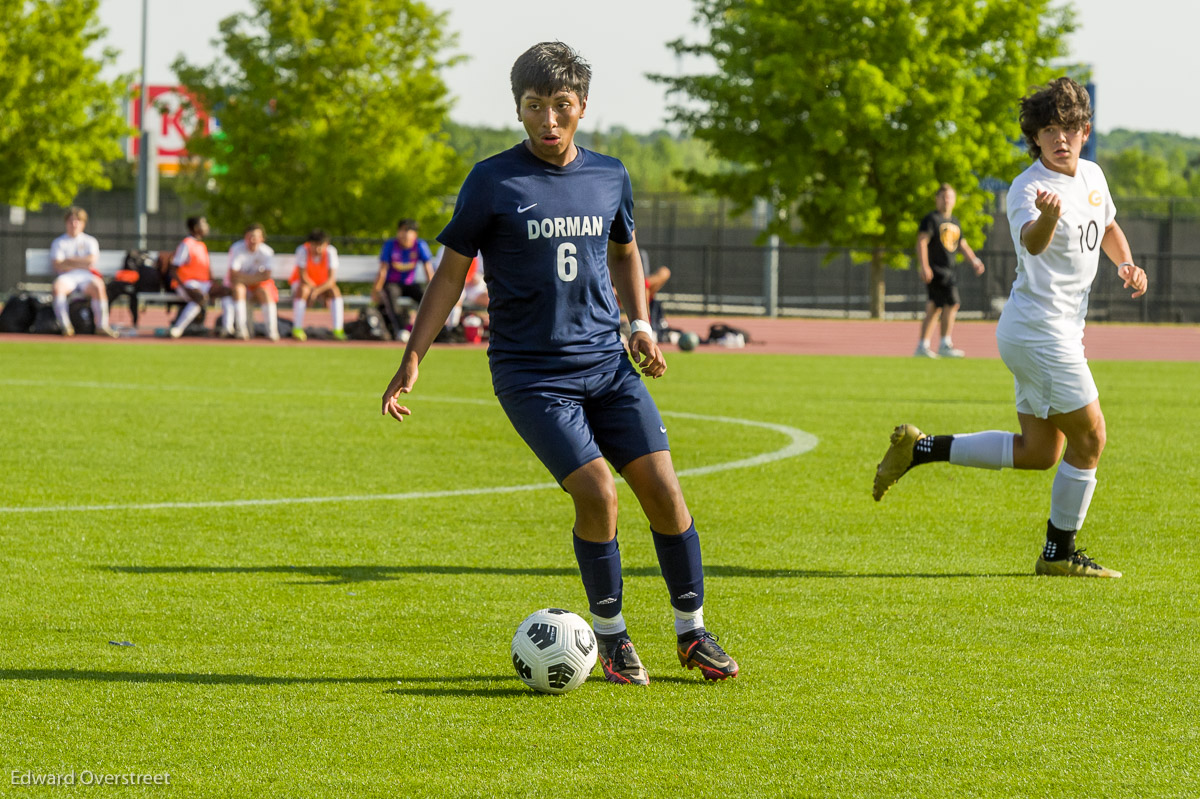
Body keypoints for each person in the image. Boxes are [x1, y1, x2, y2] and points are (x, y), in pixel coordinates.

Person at [381, 41, 738, 685]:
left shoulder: (610, 175)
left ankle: (692, 632)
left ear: (582, 108)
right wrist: (413, 356)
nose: (549, 120)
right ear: (518, 110)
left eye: (561, 106)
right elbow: (451, 275)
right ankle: (611, 638)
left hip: (607, 363)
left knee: (664, 492)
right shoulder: (492, 181)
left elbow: (626, 252)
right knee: (599, 492)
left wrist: (640, 325)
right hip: (532, 375)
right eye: (534, 106)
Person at [874, 77, 1148, 579]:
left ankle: (922, 447)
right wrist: (1047, 217)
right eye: (1049, 129)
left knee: (1041, 452)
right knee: (1091, 439)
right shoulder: (1029, 188)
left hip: (1048, 332)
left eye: (1068, 127)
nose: (1060, 138)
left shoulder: (1093, 175)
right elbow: (1034, 241)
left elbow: (1107, 225)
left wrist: (1125, 264)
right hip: (1042, 332)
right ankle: (1058, 555)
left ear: (1084, 131)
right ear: (1035, 137)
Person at [914, 184, 985, 358]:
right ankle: (944, 344)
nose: (947, 201)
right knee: (951, 303)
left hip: (949, 269)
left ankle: (924, 346)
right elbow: (922, 241)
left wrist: (974, 261)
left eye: (950, 197)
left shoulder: (954, 221)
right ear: (937, 199)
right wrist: (924, 266)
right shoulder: (931, 219)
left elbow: (962, 244)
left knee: (935, 306)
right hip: (936, 270)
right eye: (943, 197)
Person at [49, 207, 117, 337]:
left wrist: (68, 260)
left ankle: (102, 325)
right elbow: (57, 264)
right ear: (66, 223)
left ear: (83, 223)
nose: (74, 224)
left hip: (86, 277)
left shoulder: (90, 241)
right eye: (71, 221)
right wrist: (80, 262)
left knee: (98, 286)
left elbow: (91, 261)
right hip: (67, 277)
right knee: (58, 288)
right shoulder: (59, 242)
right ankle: (65, 326)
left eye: (77, 221)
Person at [166, 215, 229, 338]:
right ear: (195, 228)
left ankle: (228, 328)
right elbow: (173, 269)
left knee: (227, 292)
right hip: (188, 283)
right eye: (204, 224)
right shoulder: (186, 244)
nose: (207, 227)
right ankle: (178, 328)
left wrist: (214, 284)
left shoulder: (201, 245)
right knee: (200, 298)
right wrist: (183, 287)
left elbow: (205, 270)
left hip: (203, 284)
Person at [373, 219, 433, 340]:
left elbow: (428, 269)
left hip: (410, 284)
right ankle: (401, 330)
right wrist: (376, 290)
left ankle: (431, 330)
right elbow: (383, 270)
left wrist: (433, 289)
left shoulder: (420, 245)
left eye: (409, 231)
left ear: (415, 234)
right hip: (392, 283)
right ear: (398, 232)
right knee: (391, 297)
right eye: (403, 230)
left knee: (427, 299)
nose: (405, 234)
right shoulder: (390, 245)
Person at [221, 223, 279, 341]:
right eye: (250, 237)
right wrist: (256, 278)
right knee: (239, 289)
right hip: (238, 286)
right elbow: (233, 276)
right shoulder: (237, 249)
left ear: (262, 238)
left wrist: (246, 279)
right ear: (245, 238)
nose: (253, 240)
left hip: (256, 286)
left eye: (256, 237)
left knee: (265, 292)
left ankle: (272, 331)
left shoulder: (267, 252)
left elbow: (267, 276)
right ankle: (241, 329)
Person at [289, 229, 347, 341]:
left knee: (335, 291)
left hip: (322, 285)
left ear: (326, 244)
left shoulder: (331, 252)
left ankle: (338, 330)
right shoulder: (302, 250)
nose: (318, 249)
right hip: (303, 284)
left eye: (321, 245)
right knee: (303, 291)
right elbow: (303, 277)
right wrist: (313, 290)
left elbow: (331, 280)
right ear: (309, 244)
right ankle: (297, 328)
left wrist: (316, 291)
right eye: (314, 245)